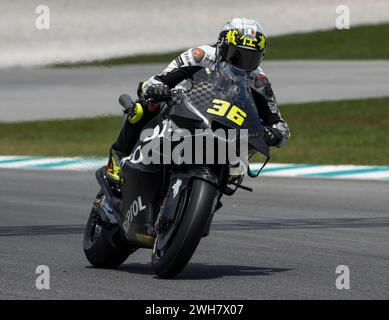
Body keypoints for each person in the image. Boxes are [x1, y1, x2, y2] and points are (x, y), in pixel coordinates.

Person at [106, 18, 290, 184]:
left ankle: (214, 186)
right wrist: (158, 89)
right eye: (237, 55)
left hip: (220, 127)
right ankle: (118, 156)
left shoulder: (259, 81)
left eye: (252, 58)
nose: (243, 64)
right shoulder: (201, 56)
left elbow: (280, 125)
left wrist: (272, 133)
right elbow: (156, 81)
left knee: (247, 143)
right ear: (222, 46)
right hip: (180, 109)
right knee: (143, 107)